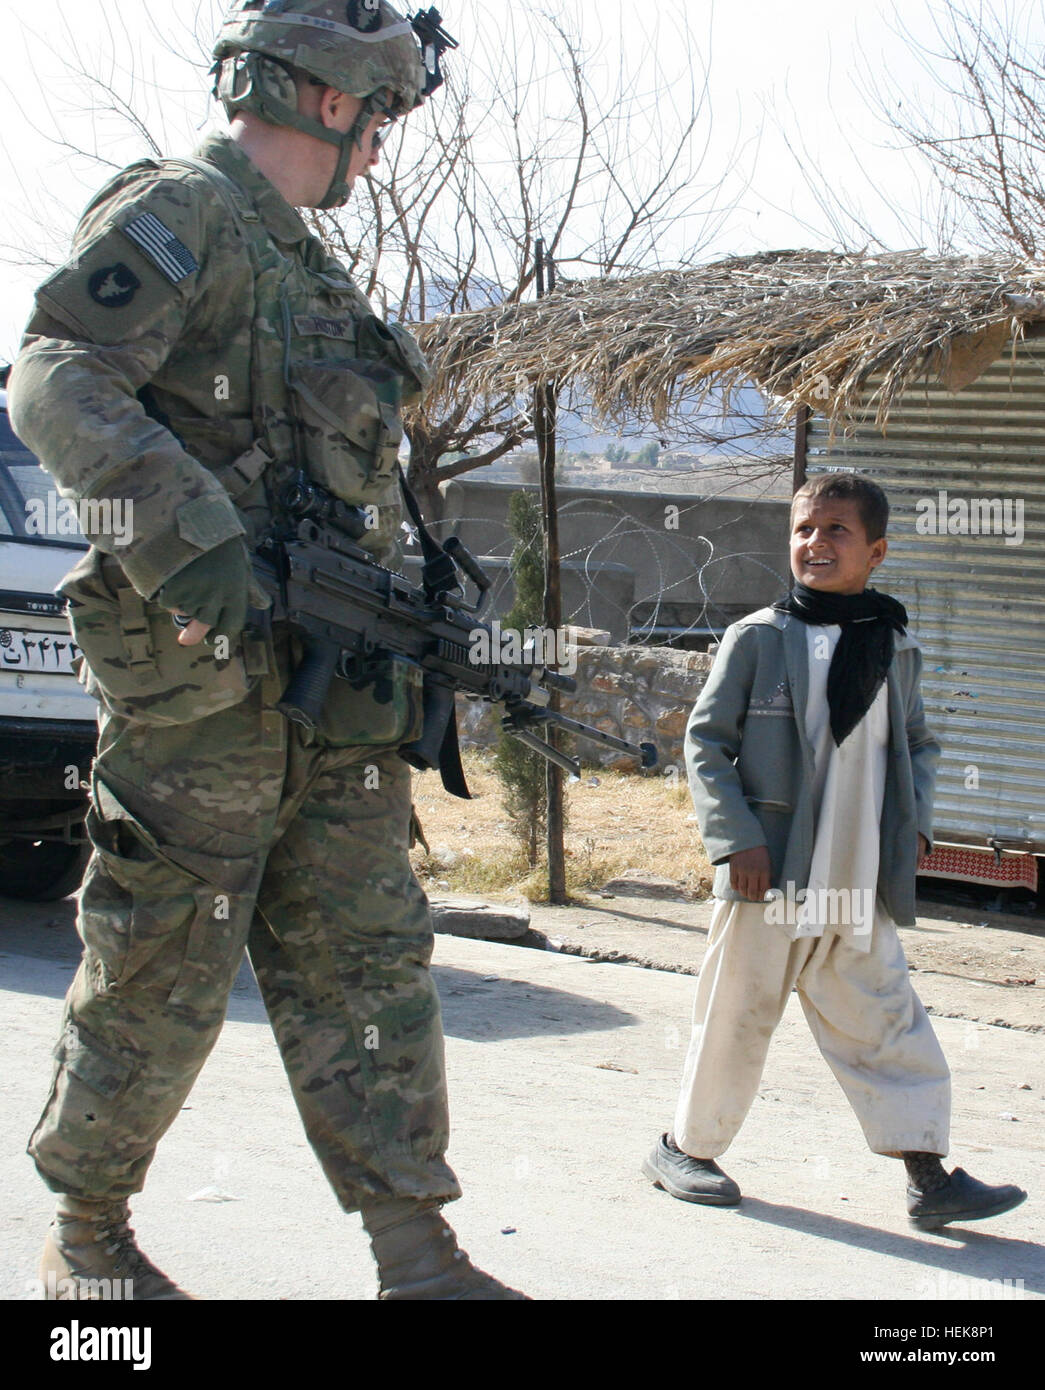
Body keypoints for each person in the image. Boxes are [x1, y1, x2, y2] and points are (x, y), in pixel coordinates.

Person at [9, 0, 526, 1301]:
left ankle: (417, 1251)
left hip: (333, 698)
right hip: (201, 696)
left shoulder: (315, 272)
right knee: (165, 955)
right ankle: (89, 1239)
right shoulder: (187, 210)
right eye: (386, 118)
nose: (386, 150)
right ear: (337, 102)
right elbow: (57, 368)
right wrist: (189, 544)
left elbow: (333, 486)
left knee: (369, 957)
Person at [644, 472, 1027, 1231]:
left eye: (835, 531)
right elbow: (706, 744)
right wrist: (736, 840)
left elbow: (917, 742)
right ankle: (684, 1148)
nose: (814, 544)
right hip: (771, 872)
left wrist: (912, 825)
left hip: (855, 881)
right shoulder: (759, 637)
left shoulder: (894, 643)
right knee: (737, 1012)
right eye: (803, 531)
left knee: (884, 1018)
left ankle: (927, 1175)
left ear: (875, 550)